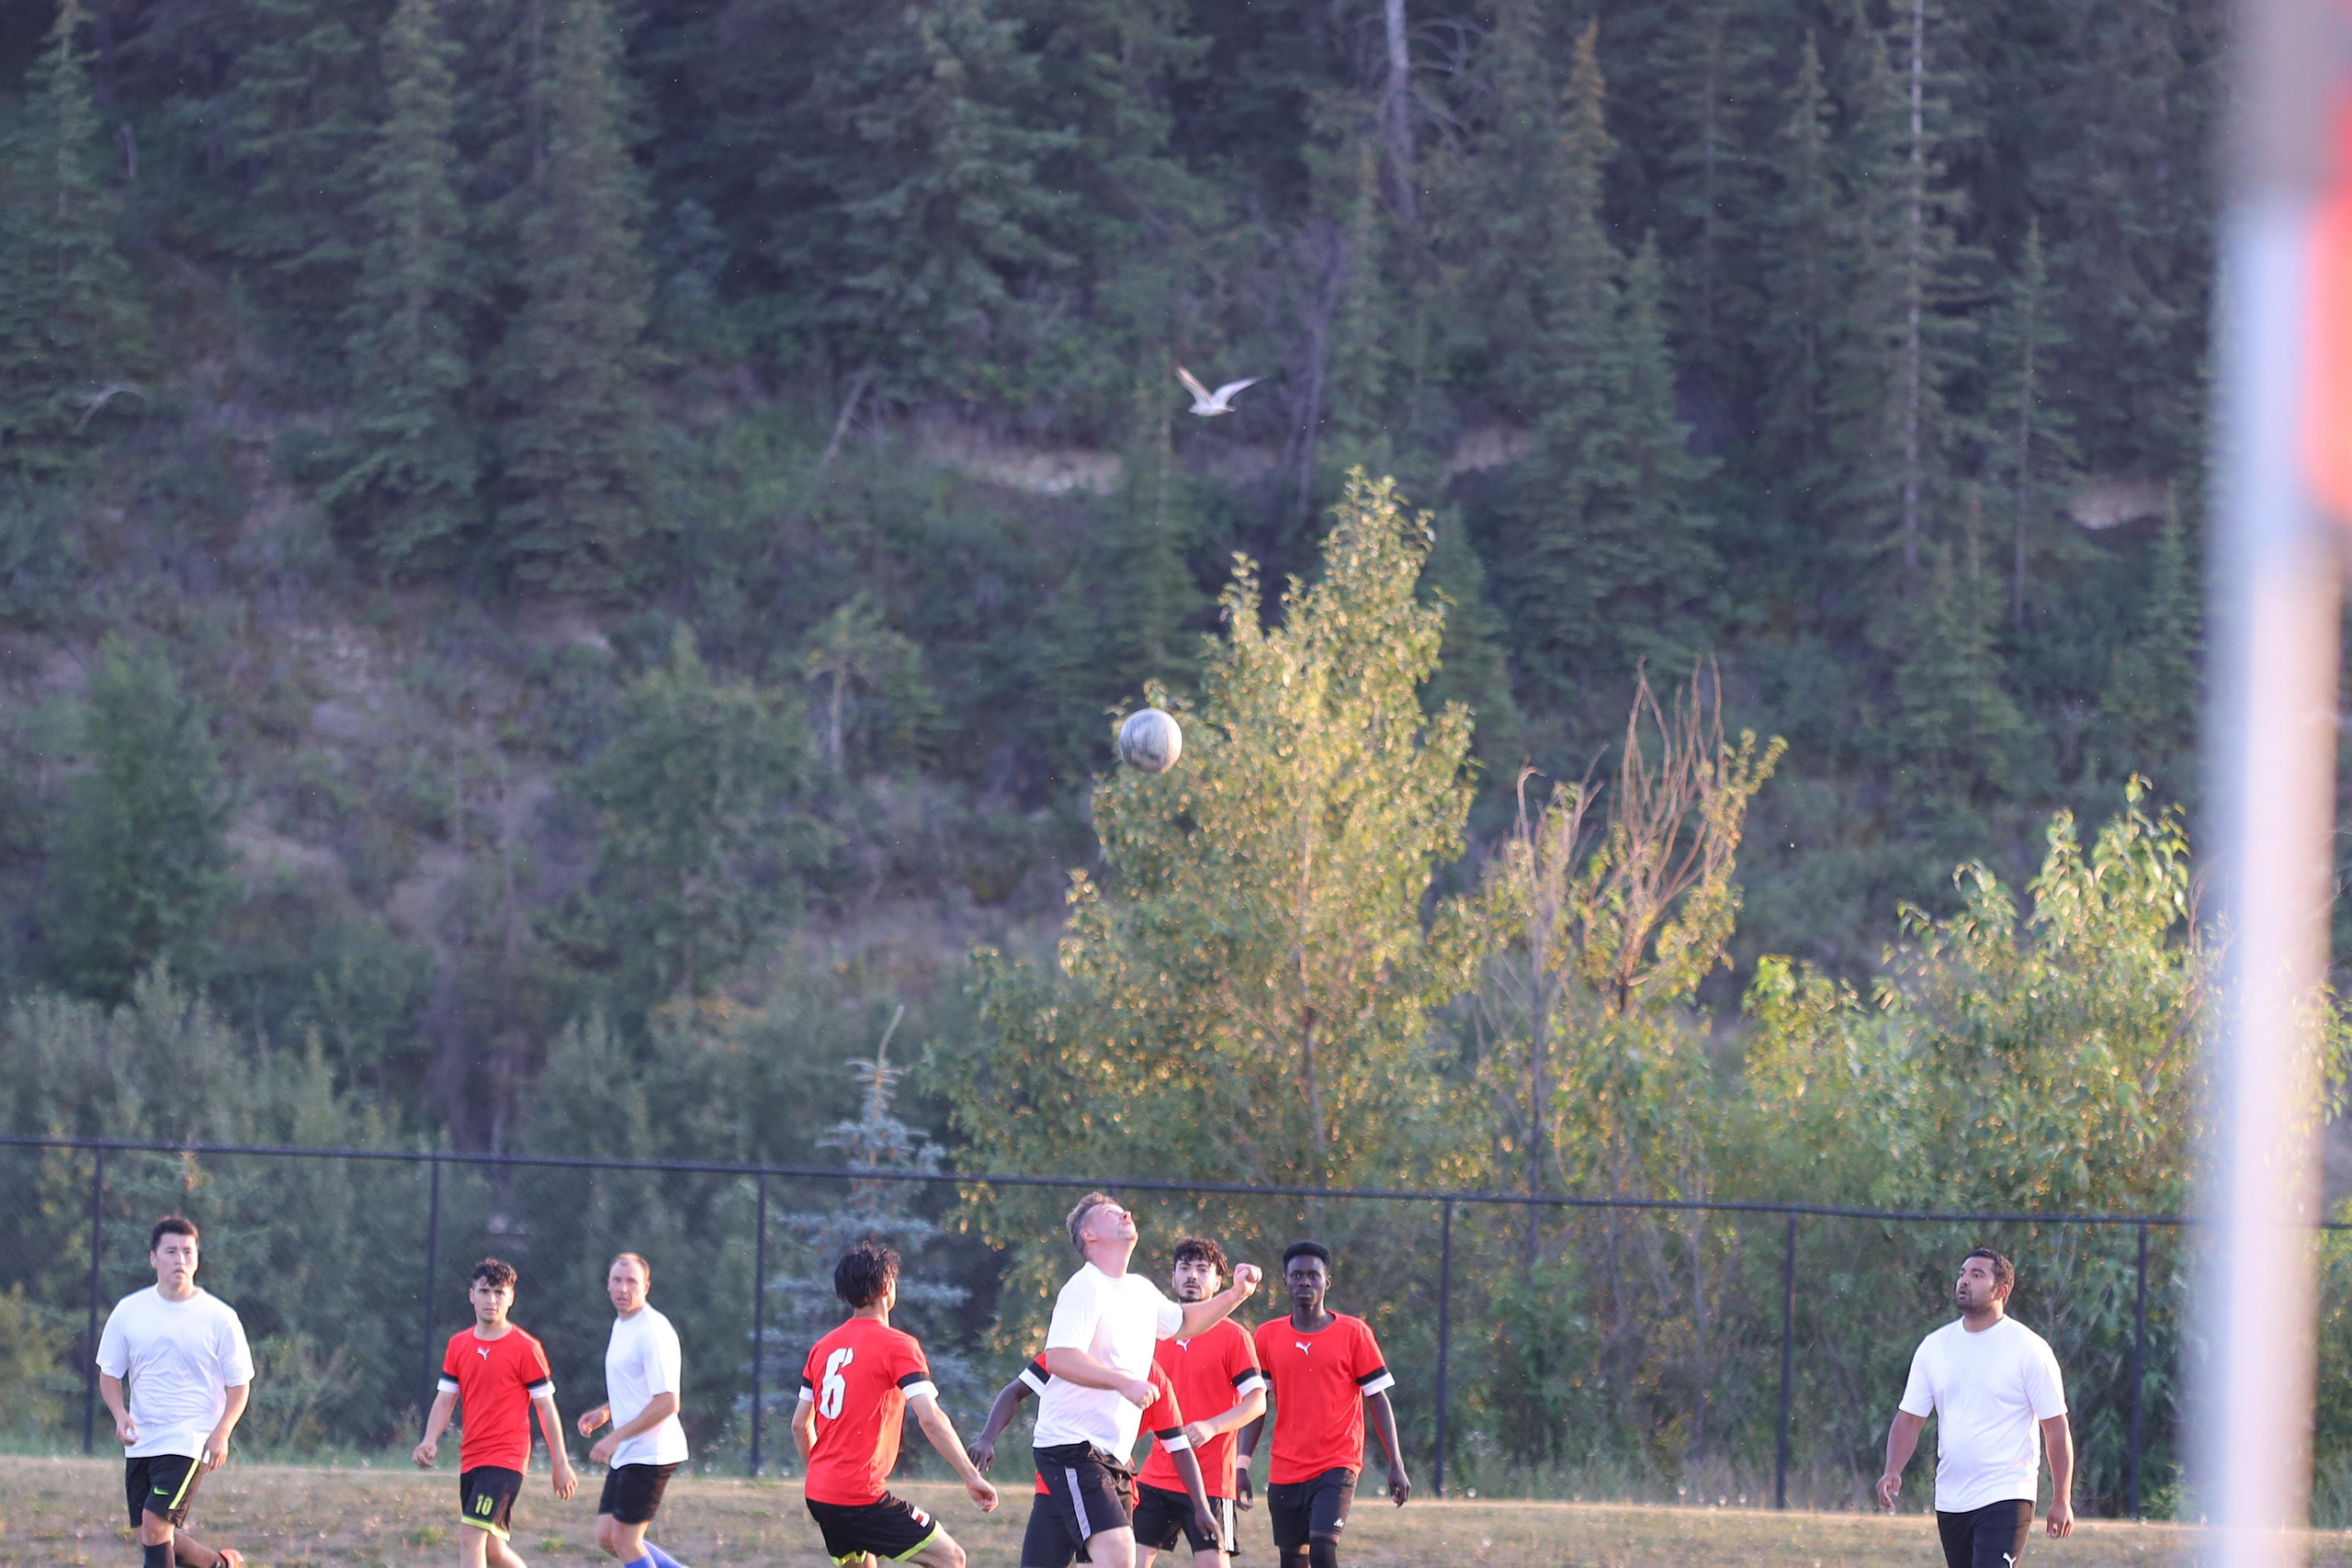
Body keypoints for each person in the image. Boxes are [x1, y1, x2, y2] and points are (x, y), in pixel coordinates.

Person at [1028, 1194, 1262, 1568]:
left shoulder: (1138, 1288)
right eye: (1110, 1213)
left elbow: (1185, 1322)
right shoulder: (1086, 1286)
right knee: (1121, 1554)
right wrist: (1123, 1382)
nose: (1125, 1213)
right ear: (1089, 1235)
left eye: (1122, 1209)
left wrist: (1236, 1294)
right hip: (1073, 1447)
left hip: (1112, 1457)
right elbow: (1059, 1357)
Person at [794, 1242, 1000, 1568]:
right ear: (887, 1287)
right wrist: (971, 1476)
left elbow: (799, 1425)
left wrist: (825, 1477)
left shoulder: (822, 1348)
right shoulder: (899, 1346)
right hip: (860, 1496)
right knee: (950, 1559)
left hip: (819, 1494)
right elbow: (930, 1419)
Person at [1876, 1247, 2075, 1568]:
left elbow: (2055, 1428)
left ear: (2001, 1290)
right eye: (1962, 1274)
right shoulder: (1934, 1347)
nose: (1964, 1281)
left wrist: (2062, 1499)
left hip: (2007, 1493)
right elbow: (1910, 1419)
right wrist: (1892, 1469)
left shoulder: (2028, 1348)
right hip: (1951, 1498)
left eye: (1977, 1275)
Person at [1236, 1242, 1408, 1568]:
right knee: (1293, 1560)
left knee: (1323, 1550)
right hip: (1286, 1467)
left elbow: (1377, 1398)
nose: (1305, 1281)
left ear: (1326, 1282)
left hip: (1336, 1464)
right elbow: (1257, 1405)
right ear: (1285, 1282)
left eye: (1313, 1275)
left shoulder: (1354, 1333)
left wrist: (1395, 1464)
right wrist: (1241, 1464)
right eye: (1297, 1275)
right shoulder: (1268, 1336)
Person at [96, 1214, 254, 1568]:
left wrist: (222, 1432)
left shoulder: (219, 1317)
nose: (180, 1259)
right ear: (153, 1258)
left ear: (197, 1259)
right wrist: (120, 1415)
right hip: (142, 1438)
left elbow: (240, 1384)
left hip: (189, 1439)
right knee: (147, 1534)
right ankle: (219, 1565)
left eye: (187, 1252)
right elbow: (109, 1375)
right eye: (171, 1252)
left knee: (155, 1526)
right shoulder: (129, 1311)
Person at [413, 1258, 581, 1568]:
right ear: (471, 1295)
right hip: (472, 1458)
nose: (491, 1299)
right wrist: (429, 1439)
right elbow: (446, 1399)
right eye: (484, 1291)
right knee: (492, 1550)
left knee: (470, 1536)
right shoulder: (458, 1345)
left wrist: (560, 1462)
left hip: (506, 1459)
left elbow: (545, 1407)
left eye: (499, 1293)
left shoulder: (526, 1347)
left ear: (511, 1298)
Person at [576, 1253, 695, 1568]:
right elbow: (638, 1388)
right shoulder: (622, 1323)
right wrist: (605, 1413)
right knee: (607, 1536)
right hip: (630, 1449)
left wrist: (614, 1438)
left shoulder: (653, 1330)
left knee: (626, 1542)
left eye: (632, 1282)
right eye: (617, 1280)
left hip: (652, 1452)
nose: (623, 1288)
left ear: (646, 1287)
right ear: (608, 1284)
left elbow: (668, 1402)